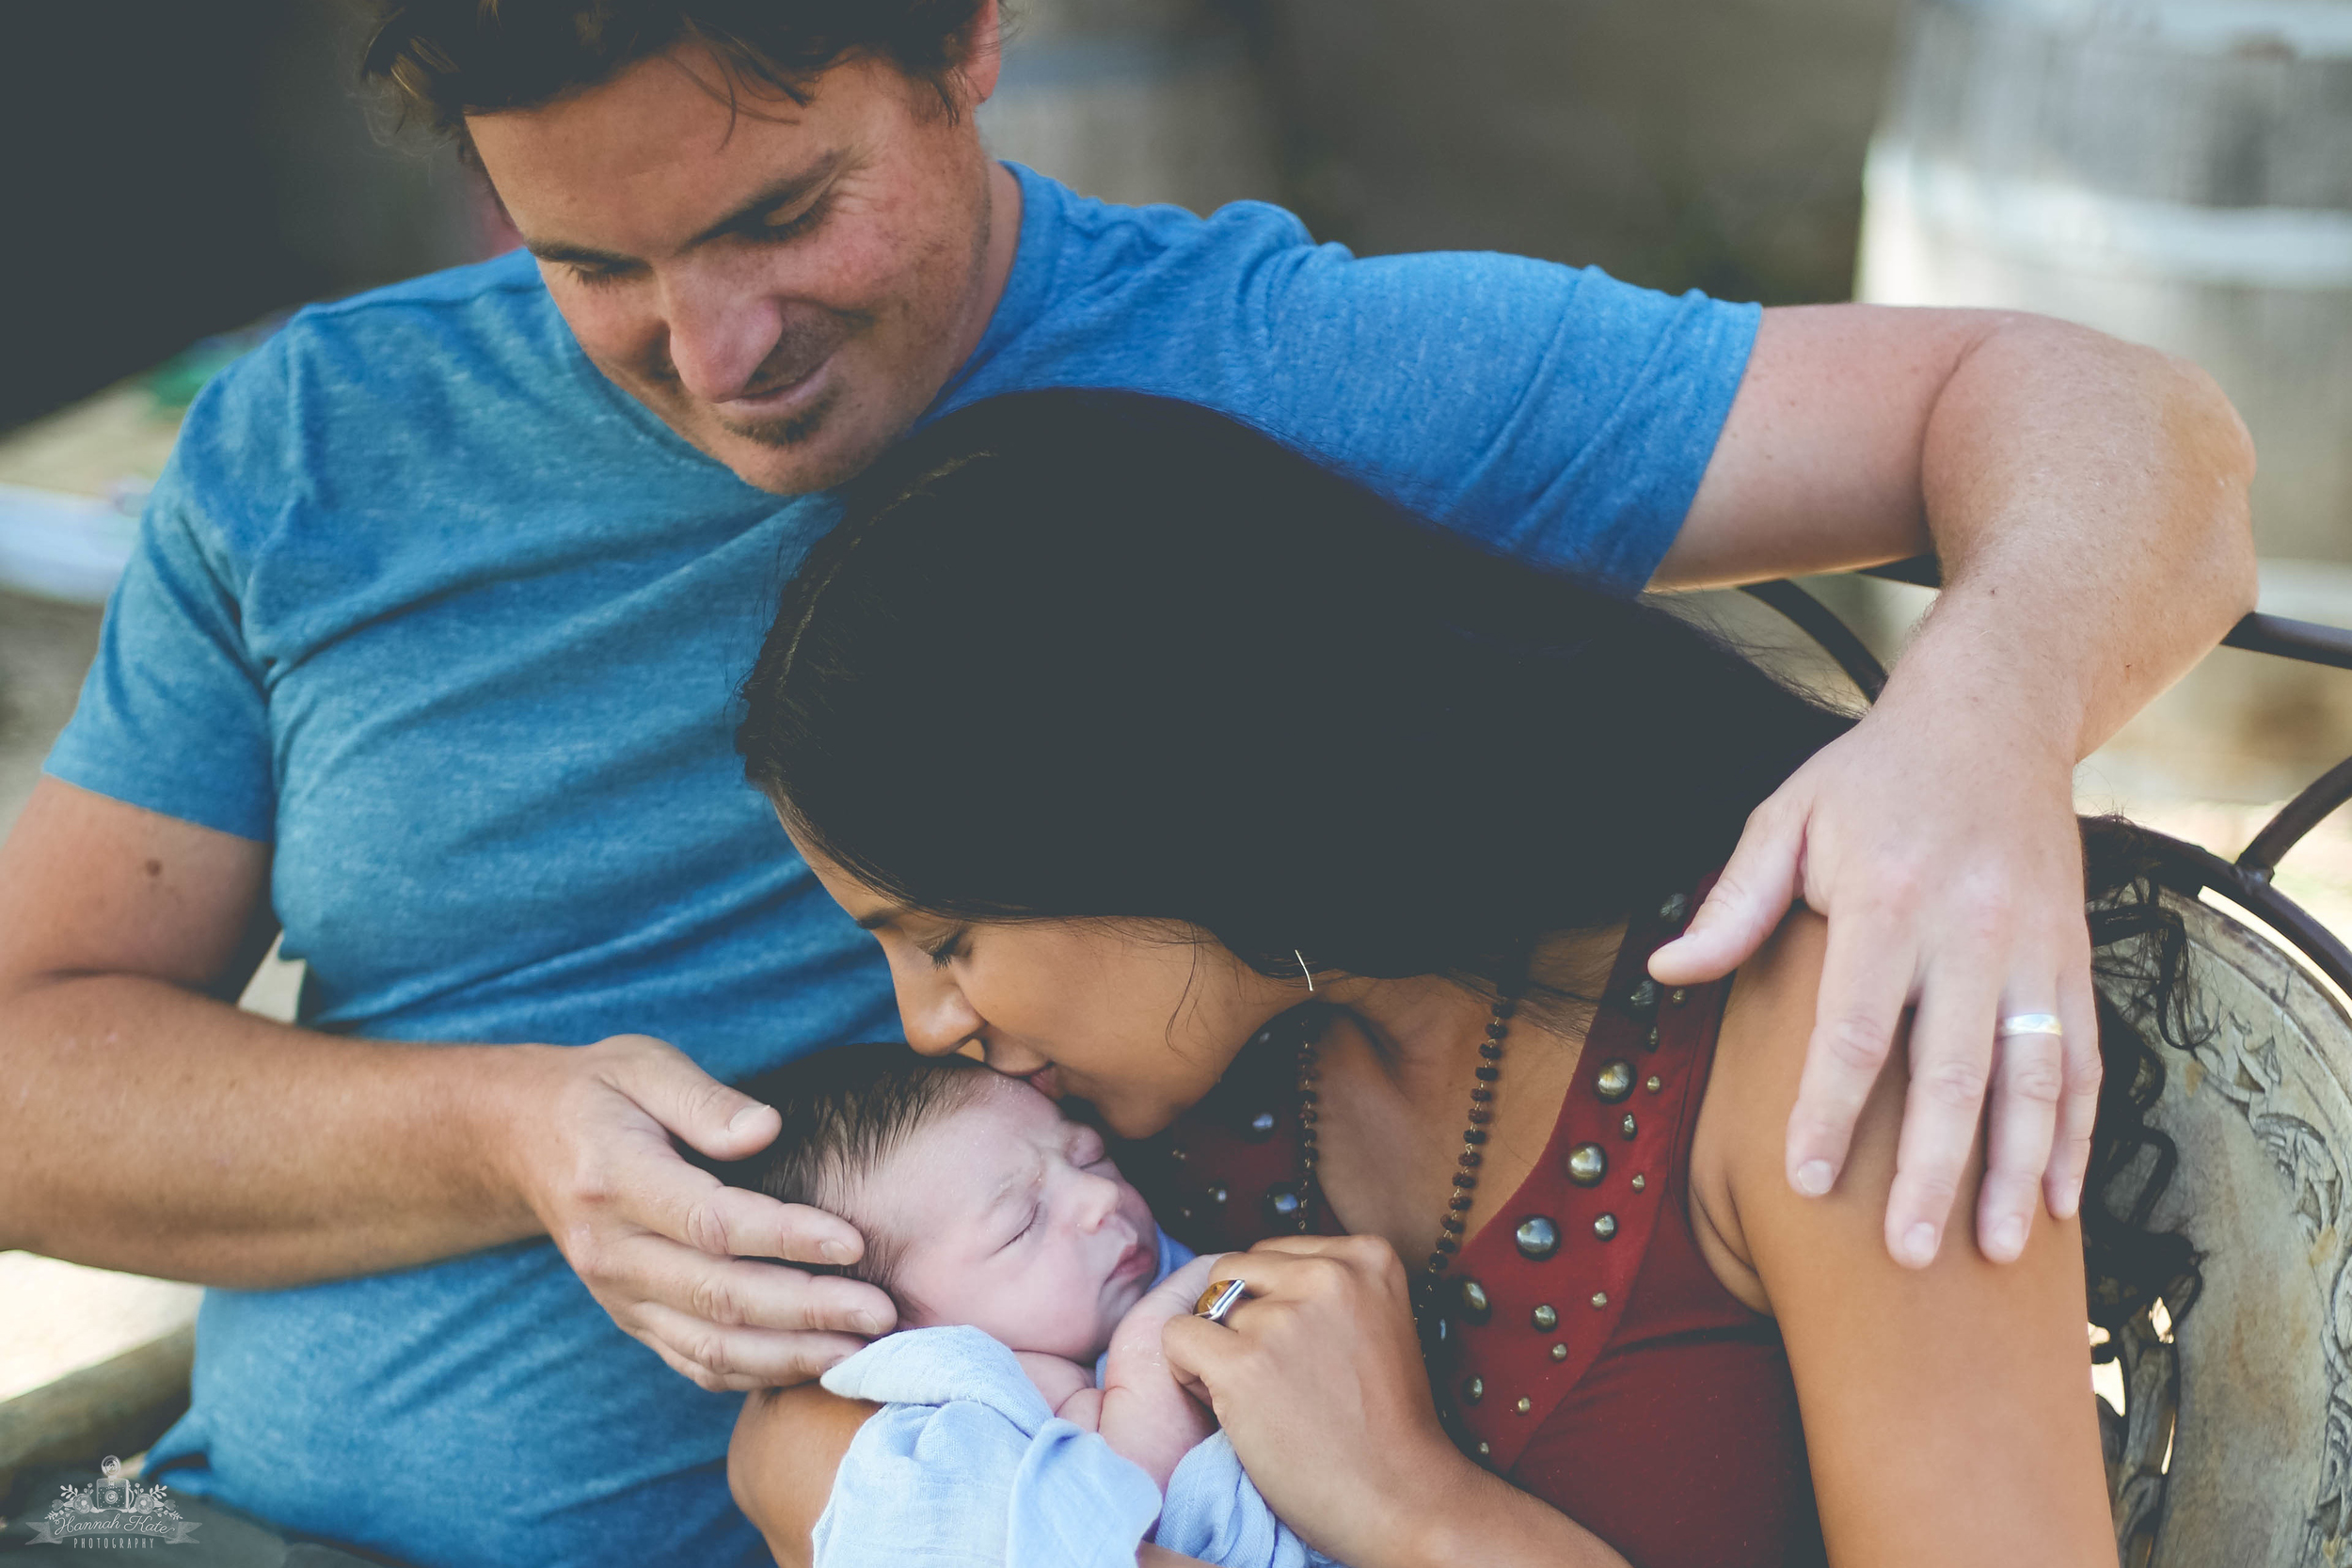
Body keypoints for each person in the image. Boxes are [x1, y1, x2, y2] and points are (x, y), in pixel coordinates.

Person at [0, 1, 2249, 1561]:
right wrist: (513, 1135)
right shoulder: (312, 445)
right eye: (589, 264)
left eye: (781, 215)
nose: (713, 356)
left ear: (965, 43)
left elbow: (2123, 426)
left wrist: (1962, 741)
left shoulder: (1268, 401)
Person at [725, 388, 2187, 1568]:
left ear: (1143, 808)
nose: (928, 1022)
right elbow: (796, 1443)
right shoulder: (1171, 1080)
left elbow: (2151, 434)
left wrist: (1420, 1510)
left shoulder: (1821, 1022)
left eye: (946, 933)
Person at [697, 1045, 1343, 1568]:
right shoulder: (972, 1419)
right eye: (1021, 1224)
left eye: (1088, 1155)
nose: (1097, 1199)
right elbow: (1124, 1514)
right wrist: (1148, 1348)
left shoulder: (1132, 1274)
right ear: (900, 1332)